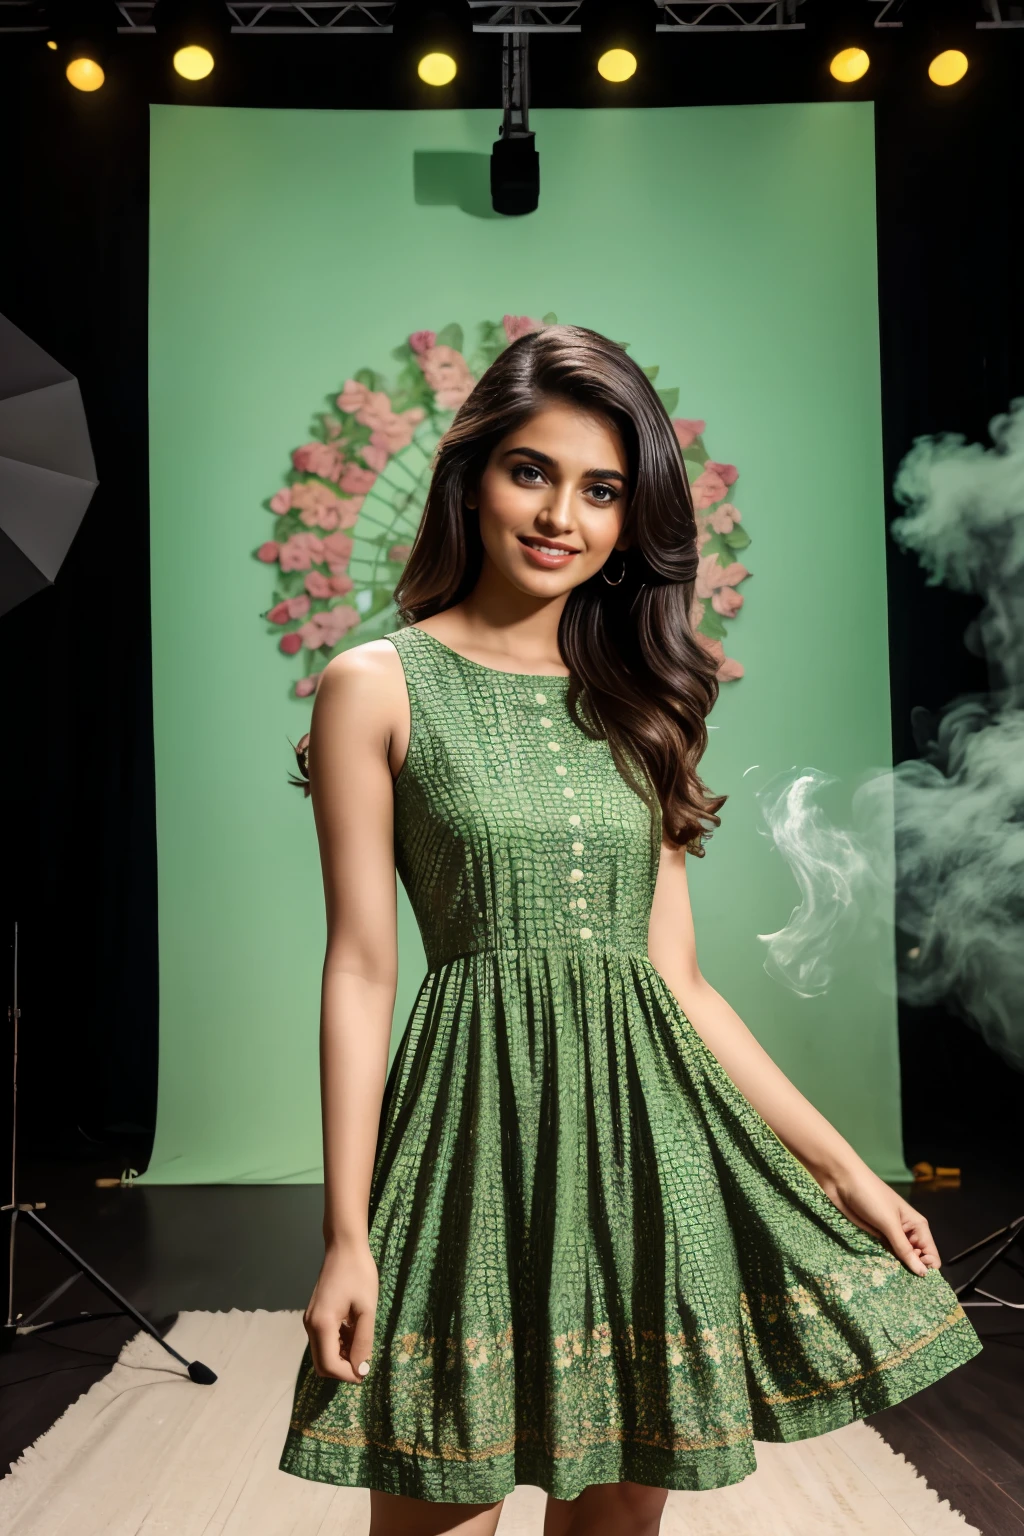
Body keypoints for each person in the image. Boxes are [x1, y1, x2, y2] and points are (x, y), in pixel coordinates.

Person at [277, 323, 981, 1536]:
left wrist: (844, 1168)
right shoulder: (375, 685)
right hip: (469, 1140)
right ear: (473, 478)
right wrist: (345, 1235)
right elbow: (358, 967)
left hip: (648, 1150)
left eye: (602, 489)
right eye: (531, 471)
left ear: (630, 515)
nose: (563, 515)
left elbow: (683, 984)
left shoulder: (642, 703)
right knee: (436, 1493)